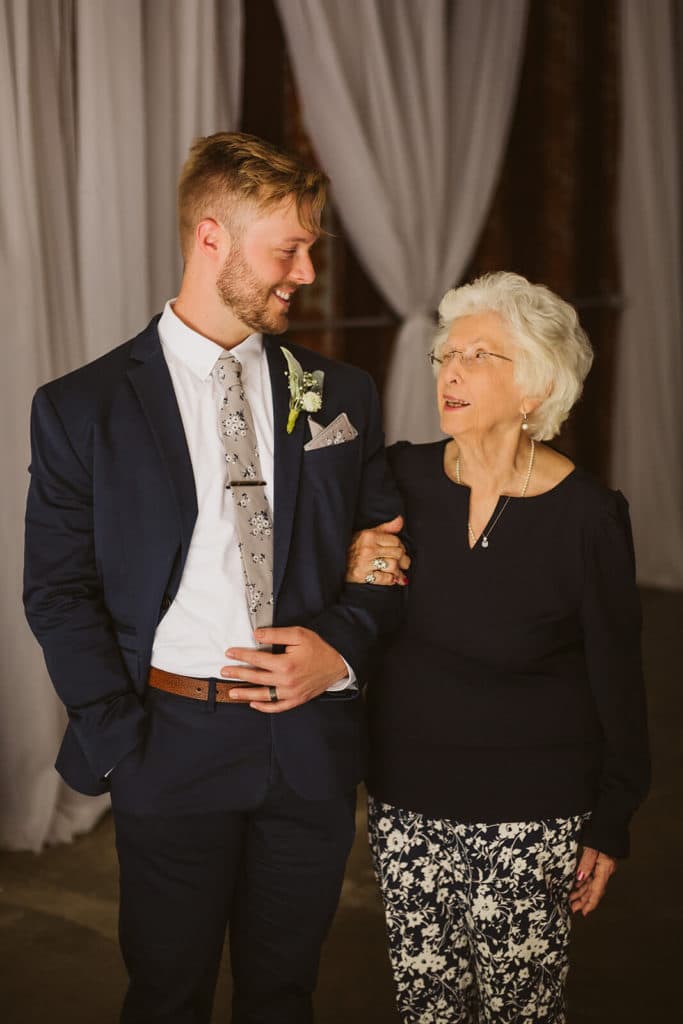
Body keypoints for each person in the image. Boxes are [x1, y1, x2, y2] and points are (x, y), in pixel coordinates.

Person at [23, 131, 405, 1024]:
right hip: (167, 743)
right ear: (210, 238)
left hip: (308, 745)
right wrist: (123, 742)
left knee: (284, 992)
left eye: (311, 247)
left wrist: (339, 649)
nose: (306, 272)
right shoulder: (82, 407)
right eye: (289, 248)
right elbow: (57, 589)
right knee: (166, 993)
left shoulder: (339, 393)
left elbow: (383, 548)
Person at [346, 271, 650, 1024]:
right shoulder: (398, 480)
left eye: (479, 355)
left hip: (530, 814)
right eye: (446, 354)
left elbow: (618, 677)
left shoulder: (587, 517)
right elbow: (343, 596)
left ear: (534, 391)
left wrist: (611, 818)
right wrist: (350, 562)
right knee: (428, 1009)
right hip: (405, 805)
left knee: (520, 1012)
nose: (450, 369)